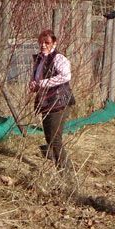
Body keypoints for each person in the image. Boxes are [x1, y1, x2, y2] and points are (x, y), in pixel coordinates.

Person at [30, 29, 75, 169]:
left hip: (59, 103)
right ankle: (57, 166)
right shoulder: (40, 59)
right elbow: (38, 78)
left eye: (47, 42)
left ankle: (66, 173)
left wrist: (43, 83)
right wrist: (33, 84)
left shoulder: (59, 58)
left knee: (55, 140)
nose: (43, 45)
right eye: (41, 42)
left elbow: (66, 76)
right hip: (46, 102)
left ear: (54, 43)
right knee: (49, 139)